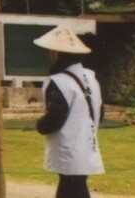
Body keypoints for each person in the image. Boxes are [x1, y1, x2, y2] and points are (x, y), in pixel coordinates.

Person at [33, 25, 104, 198]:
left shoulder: (60, 81)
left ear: (57, 53)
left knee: (71, 186)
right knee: (74, 185)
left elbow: (55, 117)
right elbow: (100, 112)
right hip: (86, 140)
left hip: (70, 144)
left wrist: (40, 125)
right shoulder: (90, 78)